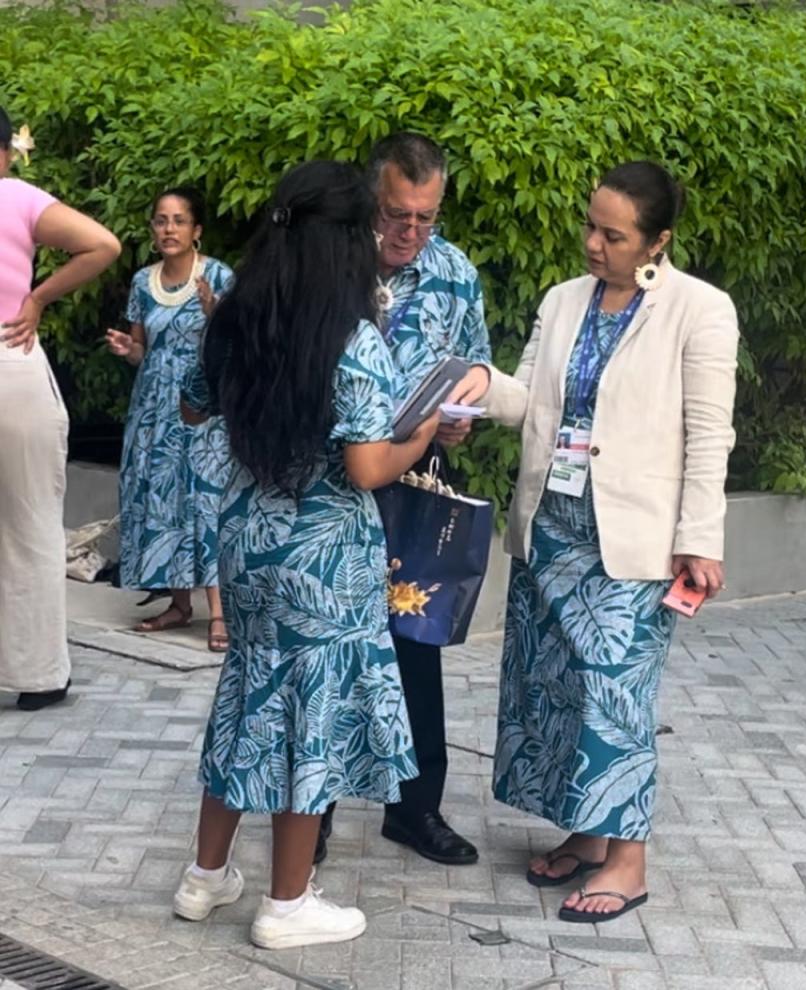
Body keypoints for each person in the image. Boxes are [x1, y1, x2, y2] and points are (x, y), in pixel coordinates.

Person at [455, 161, 739, 922]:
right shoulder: (563, 301)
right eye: (591, 225)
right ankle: (586, 833)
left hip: (632, 541)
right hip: (552, 531)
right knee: (555, 690)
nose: (593, 243)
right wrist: (478, 389)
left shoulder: (699, 311)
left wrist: (699, 540)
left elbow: (710, 436)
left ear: (658, 240)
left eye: (612, 235)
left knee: (616, 693)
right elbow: (530, 401)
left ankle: (628, 860)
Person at [173, 160, 439, 948]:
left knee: (249, 696)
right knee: (308, 720)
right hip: (323, 560)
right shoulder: (350, 338)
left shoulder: (237, 317)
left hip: (247, 544)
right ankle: (289, 903)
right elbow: (365, 466)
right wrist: (421, 431)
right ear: (349, 241)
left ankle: (205, 878)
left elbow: (193, 406)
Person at [315, 133, 491, 867]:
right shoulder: (331, 262)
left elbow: (477, 360)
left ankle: (415, 809)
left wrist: (465, 405)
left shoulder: (453, 271)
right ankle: (310, 813)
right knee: (324, 652)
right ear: (371, 200)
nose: (410, 232)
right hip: (331, 488)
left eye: (425, 217)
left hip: (415, 484)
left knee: (415, 648)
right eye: (396, 214)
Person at [0, 107, 121, 710]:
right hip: (10, 358)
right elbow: (103, 244)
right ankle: (39, 673)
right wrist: (38, 296)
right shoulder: (17, 197)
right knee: (30, 523)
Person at [105, 188, 233, 652]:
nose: (169, 229)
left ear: (196, 230)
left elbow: (237, 341)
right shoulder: (143, 282)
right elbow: (144, 350)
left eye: (179, 221)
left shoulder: (218, 275)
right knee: (162, 498)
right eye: (161, 220)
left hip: (203, 408)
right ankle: (180, 605)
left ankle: (220, 612)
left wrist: (213, 312)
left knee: (207, 498)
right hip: (153, 410)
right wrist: (128, 350)